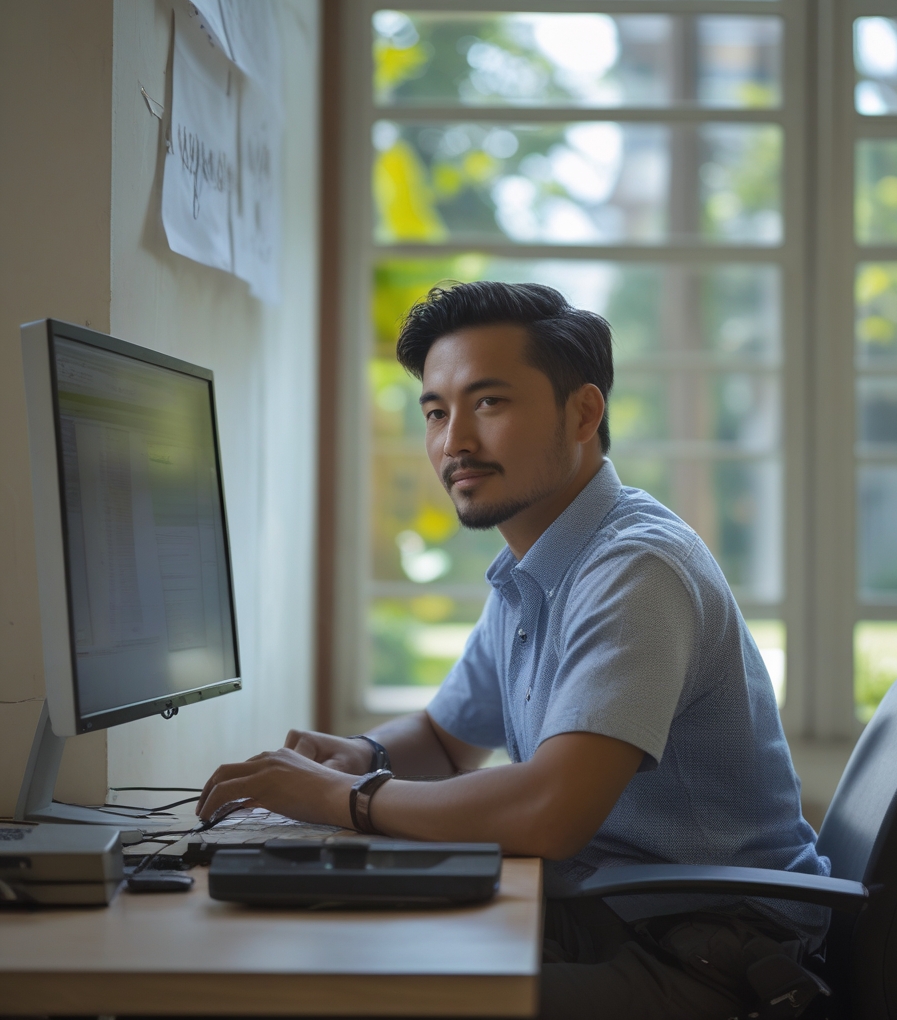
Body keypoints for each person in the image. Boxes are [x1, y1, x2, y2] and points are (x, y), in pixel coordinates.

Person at [198, 281, 831, 1019]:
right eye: (436, 411)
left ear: (583, 412)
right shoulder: (536, 569)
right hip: (610, 915)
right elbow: (444, 737)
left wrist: (342, 799)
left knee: (359, 995)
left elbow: (551, 810)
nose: (453, 441)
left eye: (488, 403)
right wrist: (362, 755)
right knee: (324, 949)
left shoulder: (634, 568)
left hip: (709, 956)